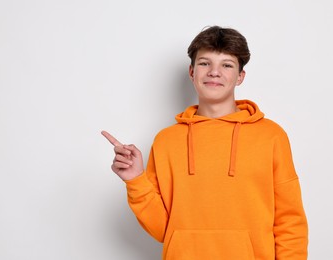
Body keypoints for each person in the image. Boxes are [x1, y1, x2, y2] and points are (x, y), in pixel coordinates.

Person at [102, 25, 308, 259]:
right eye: (204, 63)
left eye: (226, 65)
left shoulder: (271, 136)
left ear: (240, 76)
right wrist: (136, 180)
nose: (214, 72)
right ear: (192, 72)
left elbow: (290, 222)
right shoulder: (166, 141)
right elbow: (163, 230)